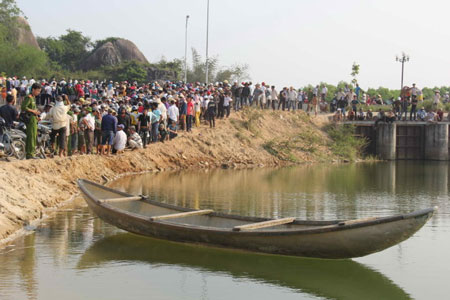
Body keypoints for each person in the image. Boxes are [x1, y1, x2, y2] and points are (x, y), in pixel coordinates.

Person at [21, 83, 41, 159]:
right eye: (37, 91)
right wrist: (33, 111)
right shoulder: (29, 98)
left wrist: (37, 115)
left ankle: (31, 152)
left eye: (39, 91)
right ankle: (30, 154)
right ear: (33, 89)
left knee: (34, 136)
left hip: (34, 119)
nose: (38, 92)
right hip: (30, 120)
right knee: (31, 137)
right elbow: (23, 107)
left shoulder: (33, 98)